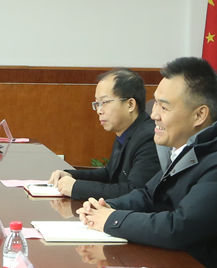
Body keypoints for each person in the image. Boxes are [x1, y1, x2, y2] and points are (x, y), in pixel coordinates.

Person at [79, 57, 217, 268]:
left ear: (199, 115)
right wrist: (106, 207)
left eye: (164, 107)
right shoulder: (195, 144)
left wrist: (111, 219)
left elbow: (180, 229)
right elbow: (149, 194)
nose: (154, 115)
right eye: (156, 103)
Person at [48, 68, 159, 201]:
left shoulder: (148, 138)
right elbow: (109, 174)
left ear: (130, 104)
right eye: (97, 103)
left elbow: (133, 192)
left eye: (104, 102)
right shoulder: (126, 132)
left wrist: (76, 187)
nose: (99, 111)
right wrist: (70, 175)